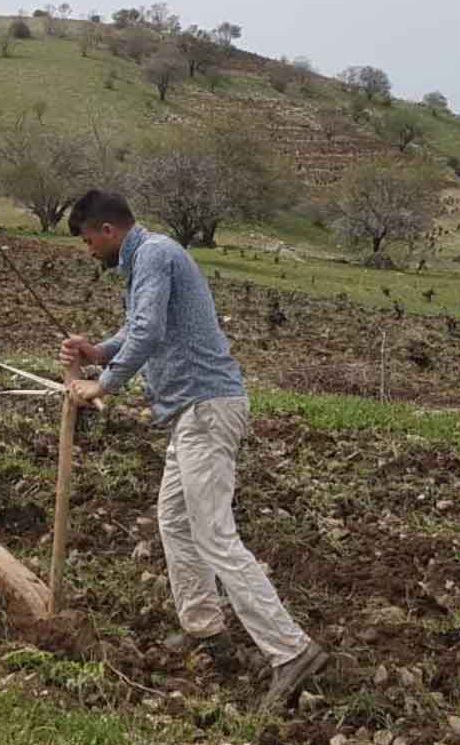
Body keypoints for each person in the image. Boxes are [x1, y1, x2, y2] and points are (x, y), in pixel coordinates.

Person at [56, 190, 328, 712]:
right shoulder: (146, 260)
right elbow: (139, 328)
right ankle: (204, 628)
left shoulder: (155, 254)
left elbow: (151, 331)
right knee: (175, 522)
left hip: (206, 409)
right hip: (189, 415)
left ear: (108, 230)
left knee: (214, 535)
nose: (89, 251)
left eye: (89, 241)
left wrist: (103, 383)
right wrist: (98, 352)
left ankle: (291, 650)